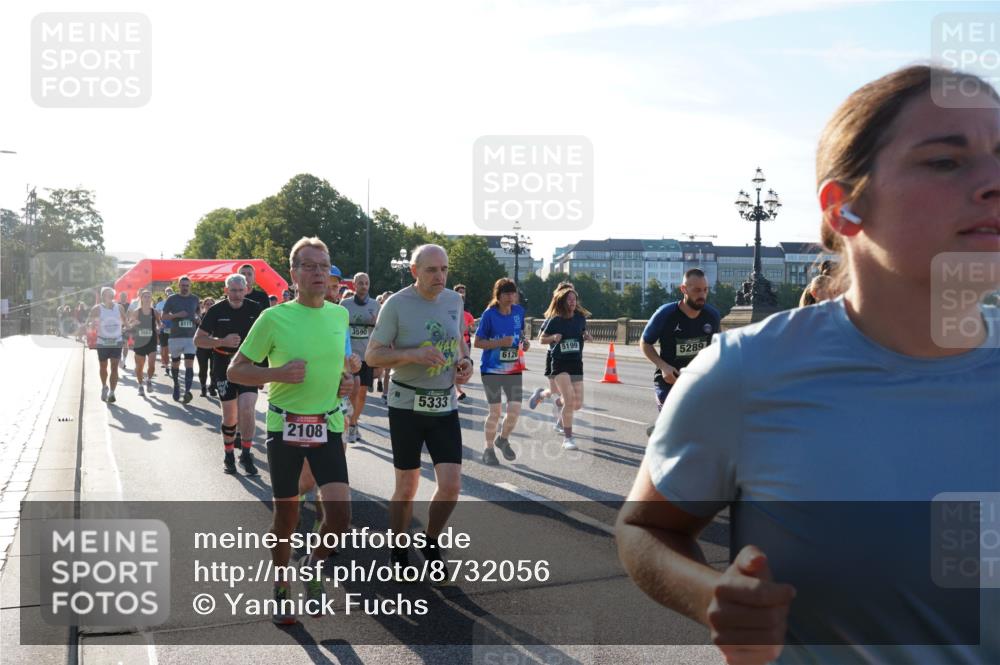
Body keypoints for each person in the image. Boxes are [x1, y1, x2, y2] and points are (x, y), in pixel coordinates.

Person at [617, 65, 1000, 665]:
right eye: (946, 161)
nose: (993, 181)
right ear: (845, 209)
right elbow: (642, 530)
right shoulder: (746, 370)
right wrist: (711, 594)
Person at [227, 237, 359, 624]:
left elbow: (335, 370)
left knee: (340, 517)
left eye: (324, 265)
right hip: (285, 426)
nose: (319, 273)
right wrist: (275, 374)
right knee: (286, 520)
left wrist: (344, 382)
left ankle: (312, 565)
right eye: (310, 266)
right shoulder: (273, 318)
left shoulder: (339, 316)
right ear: (294, 274)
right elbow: (236, 370)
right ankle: (281, 585)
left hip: (329, 423)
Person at [366, 244, 473, 582]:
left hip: (444, 403)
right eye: (431, 270)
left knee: (452, 486)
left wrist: (464, 363)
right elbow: (373, 356)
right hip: (406, 404)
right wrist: (413, 355)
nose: (439, 276)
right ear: (415, 271)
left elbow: (459, 342)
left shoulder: (454, 301)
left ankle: (430, 542)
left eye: (444, 269)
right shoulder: (396, 305)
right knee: (408, 487)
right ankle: (398, 546)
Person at [196, 274, 262, 475]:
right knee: (230, 415)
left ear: (246, 290)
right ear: (226, 291)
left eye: (240, 290)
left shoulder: (255, 309)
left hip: (247, 365)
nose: (236, 294)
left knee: (247, 408)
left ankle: (246, 454)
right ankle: (229, 454)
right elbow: (198, 340)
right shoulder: (216, 310)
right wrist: (221, 341)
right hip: (223, 364)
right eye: (232, 290)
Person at [640, 268, 721, 419]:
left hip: (698, 383)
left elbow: (716, 350)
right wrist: (663, 366)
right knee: (675, 422)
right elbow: (645, 343)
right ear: (683, 289)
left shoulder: (712, 316)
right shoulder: (665, 314)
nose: (702, 295)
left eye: (705, 290)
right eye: (697, 290)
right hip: (669, 383)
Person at [474, 278, 531, 465]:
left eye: (512, 293)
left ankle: (502, 439)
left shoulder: (519, 312)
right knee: (495, 412)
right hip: (491, 370)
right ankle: (488, 449)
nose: (510, 297)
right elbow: (478, 342)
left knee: (514, 410)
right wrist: (498, 343)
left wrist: (524, 342)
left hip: (513, 368)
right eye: (506, 293)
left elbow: (520, 333)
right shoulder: (489, 315)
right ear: (497, 296)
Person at [528, 282, 587, 433]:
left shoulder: (578, 317)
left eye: (573, 296)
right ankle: (541, 394)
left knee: (567, 398)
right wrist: (553, 338)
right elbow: (542, 337)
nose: (572, 300)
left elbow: (580, 329)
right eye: (567, 296)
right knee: (556, 391)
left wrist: (584, 335)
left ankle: (561, 422)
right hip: (554, 356)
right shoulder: (553, 318)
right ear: (559, 297)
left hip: (572, 360)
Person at [341, 272, 381, 444]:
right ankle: (349, 421)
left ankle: (354, 423)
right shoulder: (345, 304)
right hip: (350, 356)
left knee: (363, 394)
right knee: (353, 390)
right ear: (354, 285)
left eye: (367, 283)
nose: (364, 286)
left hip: (367, 356)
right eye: (361, 283)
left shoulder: (375, 305)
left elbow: (382, 331)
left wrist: (376, 323)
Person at [161, 277, 201, 403]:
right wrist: (176, 315)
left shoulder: (195, 299)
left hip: (190, 336)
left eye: (187, 285)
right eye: (183, 285)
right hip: (176, 336)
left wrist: (197, 318)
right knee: (176, 362)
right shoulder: (172, 299)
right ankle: (177, 384)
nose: (185, 287)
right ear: (179, 286)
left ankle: (187, 392)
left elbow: (198, 314)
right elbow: (163, 316)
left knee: (189, 363)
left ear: (190, 286)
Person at [87, 287, 127, 403]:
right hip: (102, 341)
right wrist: (92, 325)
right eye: (107, 294)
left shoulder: (119, 307)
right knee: (103, 367)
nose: (110, 296)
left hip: (116, 341)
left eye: (112, 294)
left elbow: (125, 321)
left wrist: (127, 327)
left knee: (114, 367)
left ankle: (112, 393)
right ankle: (104, 386)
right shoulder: (97, 309)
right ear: (103, 296)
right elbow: (89, 324)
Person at [127, 290, 160, 396]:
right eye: (145, 296)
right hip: (140, 342)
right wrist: (133, 323)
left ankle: (149, 380)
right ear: (141, 298)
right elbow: (129, 324)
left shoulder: (155, 312)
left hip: (152, 341)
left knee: (152, 364)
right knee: (139, 366)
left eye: (149, 296)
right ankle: (140, 385)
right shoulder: (137, 311)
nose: (147, 298)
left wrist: (160, 327)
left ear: (151, 299)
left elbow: (159, 324)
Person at [453, 284, 477, 402]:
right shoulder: (447, 313)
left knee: (462, 365)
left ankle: (457, 388)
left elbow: (472, 328)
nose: (462, 294)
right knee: (455, 365)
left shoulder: (467, 314)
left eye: (463, 292)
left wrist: (468, 329)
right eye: (460, 292)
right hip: (453, 344)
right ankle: (458, 390)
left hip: (466, 343)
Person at [195, 298, 217, 397]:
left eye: (211, 304)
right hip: (202, 347)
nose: (209, 306)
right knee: (203, 369)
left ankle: (212, 387)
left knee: (214, 369)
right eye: (207, 304)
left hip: (214, 347)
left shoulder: (218, 317)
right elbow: (195, 333)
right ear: (204, 306)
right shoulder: (200, 318)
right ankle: (203, 387)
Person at [156, 287, 174, 377]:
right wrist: (159, 325)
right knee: (164, 348)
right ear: (165, 293)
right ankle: (166, 365)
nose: (169, 293)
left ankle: (172, 364)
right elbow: (157, 316)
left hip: (174, 329)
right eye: (167, 292)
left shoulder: (177, 304)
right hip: (163, 329)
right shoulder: (160, 304)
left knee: (172, 349)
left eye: (170, 291)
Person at [118, 292, 132, 369]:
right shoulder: (117, 305)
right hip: (118, 328)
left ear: (126, 297)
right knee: (119, 345)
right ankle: (120, 360)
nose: (123, 297)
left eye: (124, 296)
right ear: (120, 297)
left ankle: (124, 360)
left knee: (125, 344)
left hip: (126, 327)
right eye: (122, 296)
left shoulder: (129, 305)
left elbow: (131, 316)